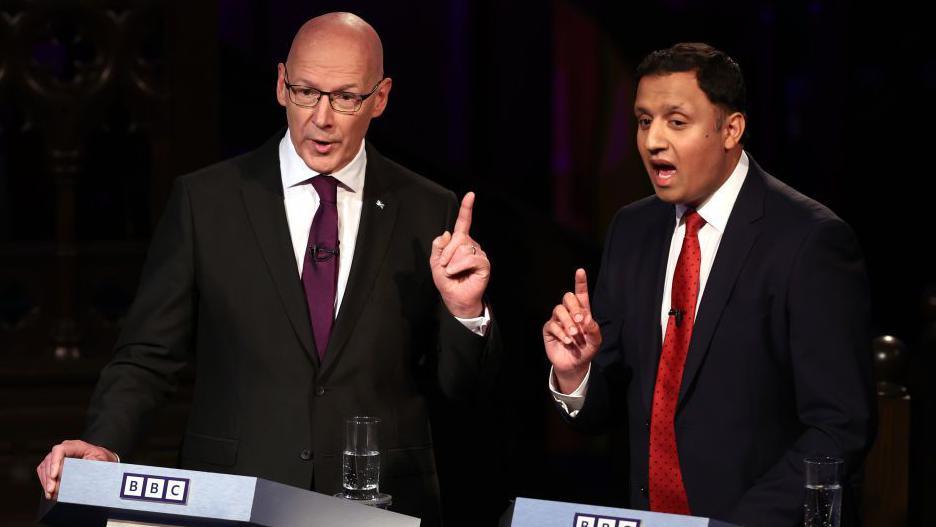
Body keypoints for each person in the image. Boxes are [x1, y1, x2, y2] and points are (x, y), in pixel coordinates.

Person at [36, 12, 499, 525]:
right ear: (281, 85)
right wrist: (104, 446)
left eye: (346, 97)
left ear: (381, 98)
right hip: (235, 499)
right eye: (306, 92)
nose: (321, 117)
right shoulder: (206, 201)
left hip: (379, 506)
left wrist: (466, 313)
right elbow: (147, 357)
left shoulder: (427, 210)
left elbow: (462, 392)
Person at [543, 43, 874, 525]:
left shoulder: (809, 241)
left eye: (676, 122)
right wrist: (576, 375)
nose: (653, 140)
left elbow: (839, 428)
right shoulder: (631, 230)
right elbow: (607, 409)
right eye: (643, 121)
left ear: (731, 129)